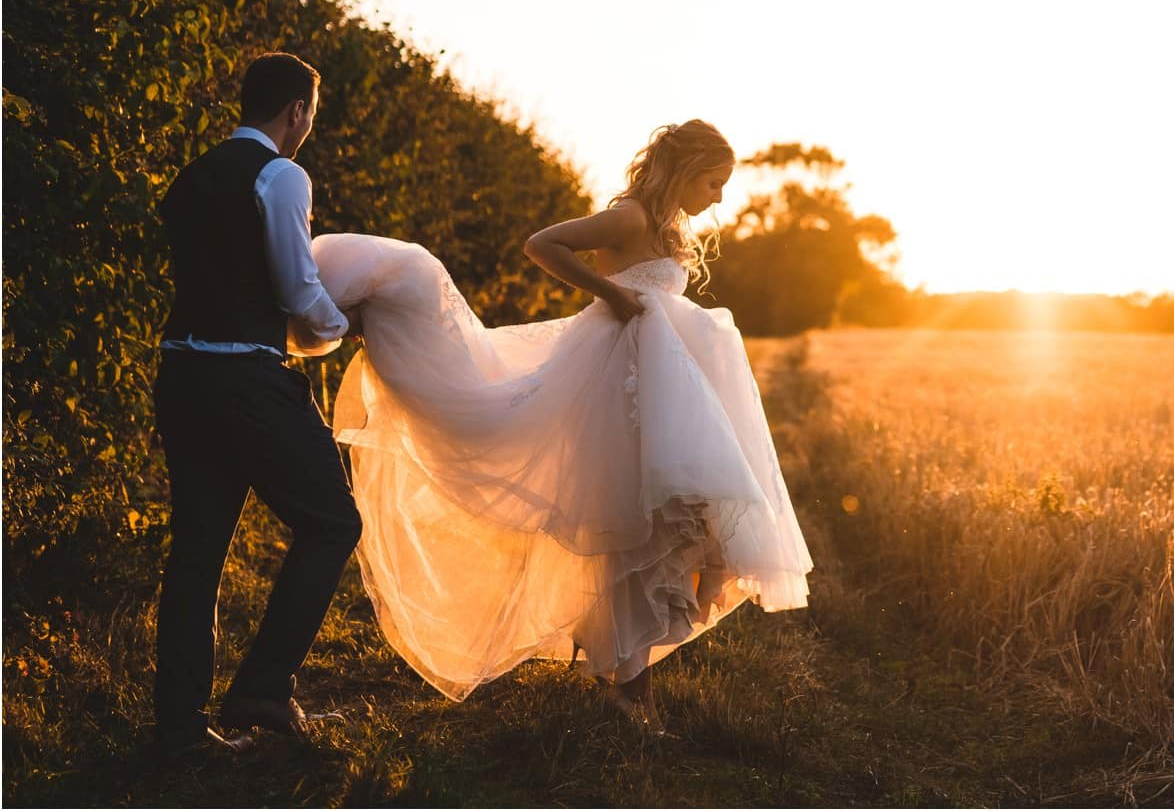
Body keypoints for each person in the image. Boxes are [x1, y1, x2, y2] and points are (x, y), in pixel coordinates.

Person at [297, 119, 813, 725]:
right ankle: (627, 687)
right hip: (614, 380)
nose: (718, 198)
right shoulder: (630, 218)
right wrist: (610, 292)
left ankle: (628, 674)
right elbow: (542, 244)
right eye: (713, 182)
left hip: (660, 385)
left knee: (681, 518)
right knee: (630, 525)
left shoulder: (668, 225)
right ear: (685, 168)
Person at [150, 51, 364, 760]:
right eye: (310, 115)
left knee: (197, 553)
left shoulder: (190, 177)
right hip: (247, 379)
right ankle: (264, 689)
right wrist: (342, 325)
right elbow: (299, 289)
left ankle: (181, 730)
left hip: (181, 374)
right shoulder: (282, 174)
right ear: (296, 111)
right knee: (334, 521)